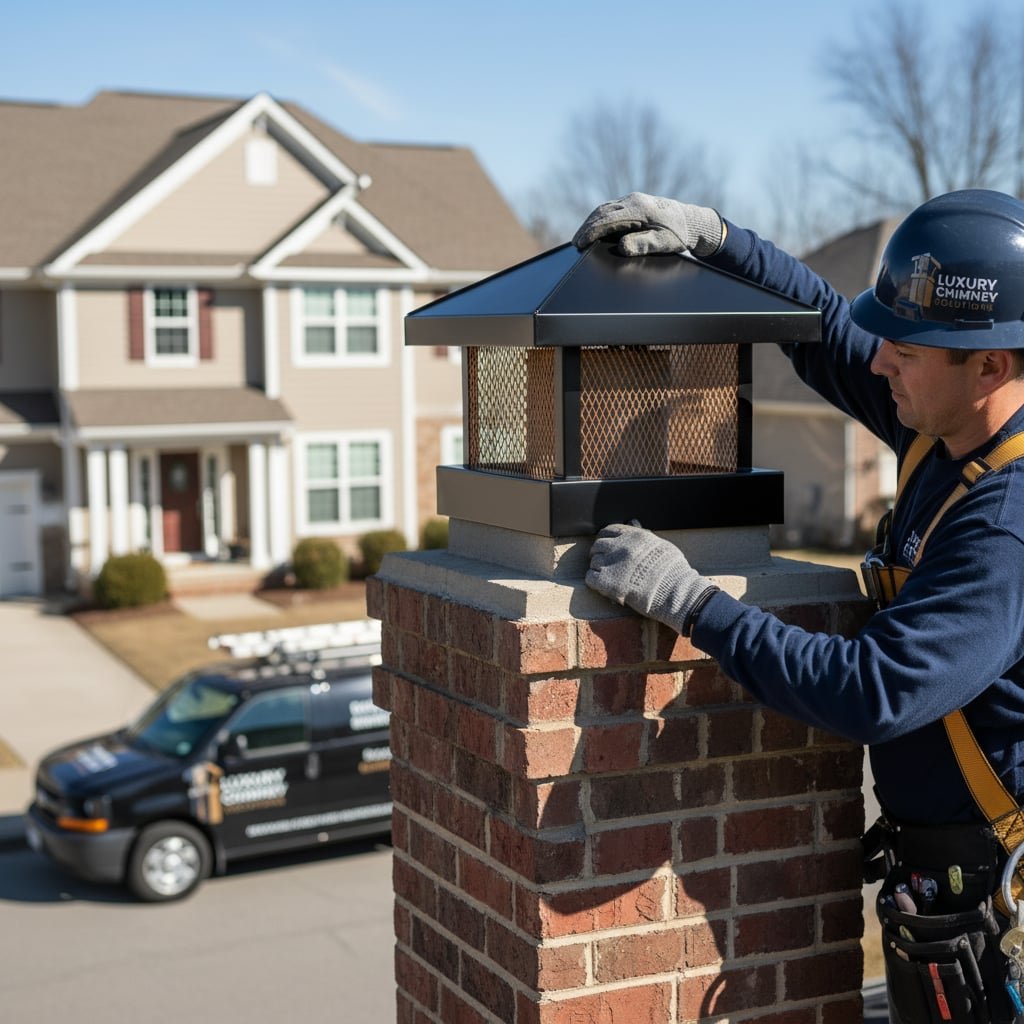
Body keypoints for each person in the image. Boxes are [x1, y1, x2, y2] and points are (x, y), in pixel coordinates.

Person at [575, 189, 1024, 1024]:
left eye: (907, 347)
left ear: (989, 366)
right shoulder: (944, 430)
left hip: (993, 910)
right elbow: (819, 320)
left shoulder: (1005, 527)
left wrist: (690, 601)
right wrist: (717, 238)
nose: (882, 360)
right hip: (942, 890)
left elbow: (875, 690)